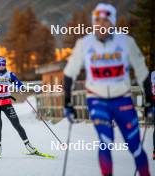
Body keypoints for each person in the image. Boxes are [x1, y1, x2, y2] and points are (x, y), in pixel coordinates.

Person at [63, 3, 153, 176]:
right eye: (97, 21)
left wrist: (149, 100)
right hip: (97, 99)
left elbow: (142, 71)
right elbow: (69, 74)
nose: (101, 26)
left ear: (112, 23)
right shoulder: (84, 43)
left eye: (105, 22)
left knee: (134, 146)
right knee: (105, 141)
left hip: (122, 99)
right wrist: (67, 103)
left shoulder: (126, 41)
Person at [0, 56, 37, 159]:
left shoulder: (10, 74)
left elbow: (20, 86)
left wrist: (15, 83)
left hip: (6, 103)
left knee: (17, 124)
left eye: (3, 64)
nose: (1, 66)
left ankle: (29, 147)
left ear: (5, 64)